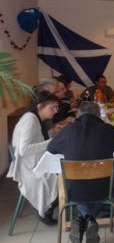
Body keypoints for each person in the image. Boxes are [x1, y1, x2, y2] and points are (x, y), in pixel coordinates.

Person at [47, 102, 114, 243]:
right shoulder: (108, 129)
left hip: (74, 191)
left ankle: (83, 219)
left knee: (82, 190)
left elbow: (51, 148)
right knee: (108, 183)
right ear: (99, 115)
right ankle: (90, 219)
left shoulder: (69, 129)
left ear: (78, 115)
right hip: (103, 189)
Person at [7, 90, 59, 225]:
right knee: (62, 173)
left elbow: (37, 140)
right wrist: (50, 143)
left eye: (56, 107)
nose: (55, 111)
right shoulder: (30, 120)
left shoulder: (35, 118)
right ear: (40, 106)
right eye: (52, 107)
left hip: (33, 161)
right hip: (28, 167)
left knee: (60, 166)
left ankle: (52, 204)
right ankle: (48, 208)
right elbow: (24, 150)